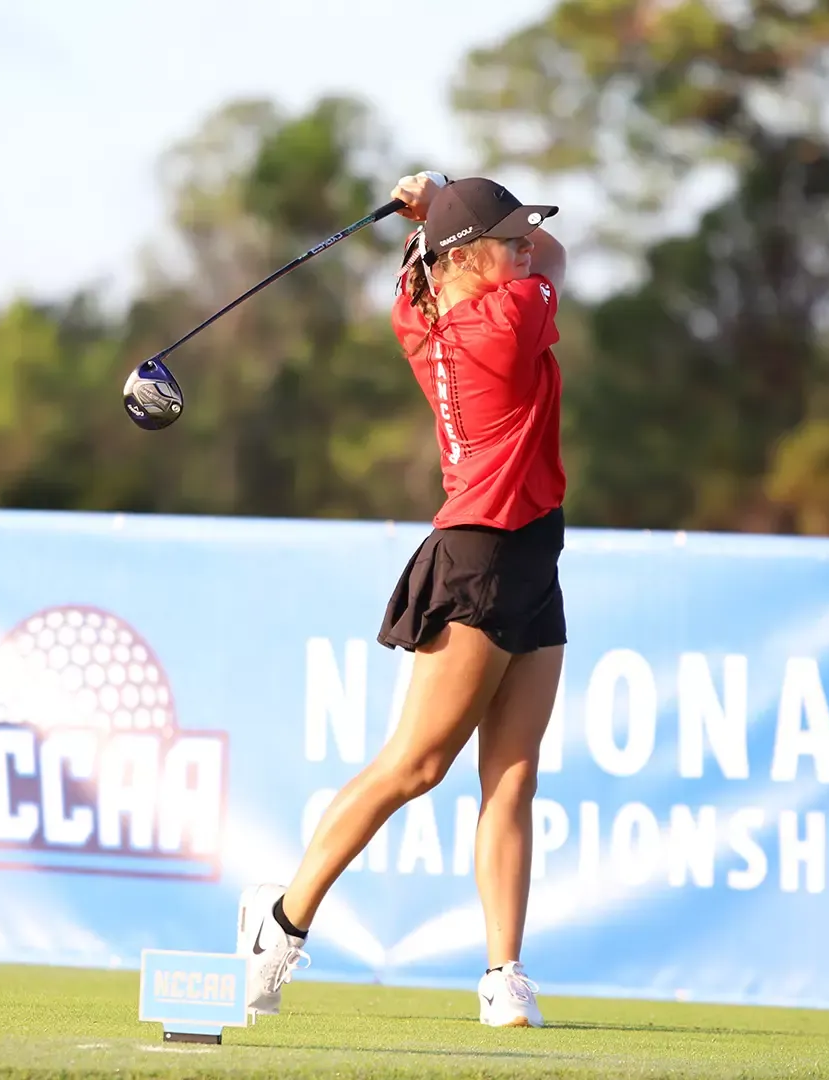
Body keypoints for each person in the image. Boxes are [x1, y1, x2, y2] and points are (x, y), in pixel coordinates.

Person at [236, 173, 569, 1029]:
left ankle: (504, 974)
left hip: (532, 550)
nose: (529, 250)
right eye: (512, 240)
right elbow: (556, 265)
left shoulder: (418, 315)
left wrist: (438, 215)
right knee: (416, 766)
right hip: (482, 556)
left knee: (515, 776)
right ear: (468, 256)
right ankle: (283, 920)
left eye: (526, 239)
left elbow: (473, 265)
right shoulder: (507, 320)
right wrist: (443, 204)